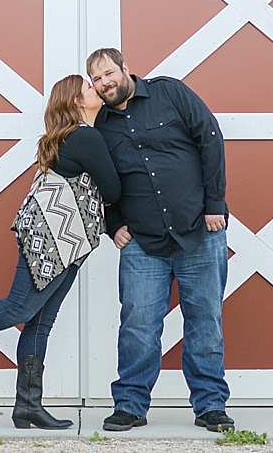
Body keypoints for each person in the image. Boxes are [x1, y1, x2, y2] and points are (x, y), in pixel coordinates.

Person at [0, 75, 120, 429]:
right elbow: (113, 188)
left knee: (40, 322)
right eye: (90, 87)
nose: (97, 89)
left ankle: (28, 406)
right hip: (54, 239)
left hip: (65, 240)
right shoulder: (86, 137)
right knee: (19, 307)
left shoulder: (67, 138)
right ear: (77, 101)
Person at [87, 47, 234, 433]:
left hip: (201, 232)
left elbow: (210, 138)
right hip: (142, 242)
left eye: (107, 74)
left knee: (205, 321)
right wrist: (111, 223)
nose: (104, 83)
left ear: (125, 69)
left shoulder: (170, 92)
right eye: (96, 80)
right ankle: (130, 405)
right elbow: (96, 179)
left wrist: (215, 202)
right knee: (137, 325)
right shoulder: (100, 126)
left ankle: (210, 407)